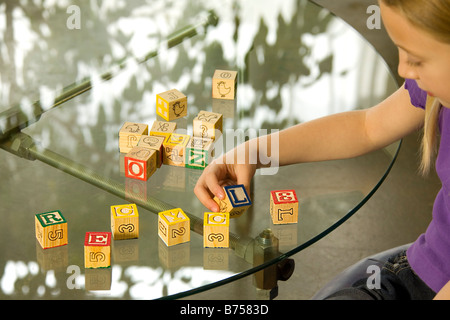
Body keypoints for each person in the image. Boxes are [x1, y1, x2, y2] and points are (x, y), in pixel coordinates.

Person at [194, 0, 450, 299]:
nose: (402, 69)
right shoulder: (437, 89)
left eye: (416, 59)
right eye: (399, 49)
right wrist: (254, 152)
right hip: (422, 272)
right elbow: (366, 127)